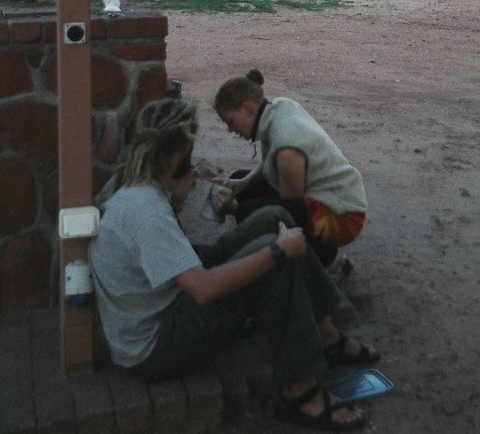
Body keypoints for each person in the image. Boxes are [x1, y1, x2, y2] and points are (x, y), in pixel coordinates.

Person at [89, 97, 379, 431]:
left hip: (167, 299)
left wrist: (178, 196)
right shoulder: (146, 210)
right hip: (157, 344)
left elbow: (166, 256)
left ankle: (326, 336)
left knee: (274, 217)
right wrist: (277, 252)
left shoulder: (135, 180)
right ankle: (301, 392)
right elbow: (202, 288)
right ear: (178, 149)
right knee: (276, 255)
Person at [212, 69, 368, 279]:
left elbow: (287, 212)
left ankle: (331, 263)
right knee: (244, 185)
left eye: (230, 121)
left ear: (247, 108)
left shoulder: (287, 150)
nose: (230, 129)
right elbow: (270, 163)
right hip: (327, 198)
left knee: (254, 213)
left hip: (343, 218)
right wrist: (243, 183)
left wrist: (235, 209)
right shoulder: (279, 107)